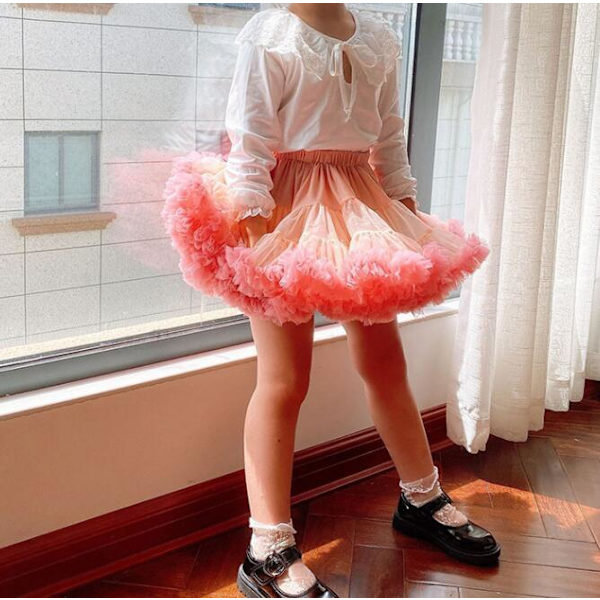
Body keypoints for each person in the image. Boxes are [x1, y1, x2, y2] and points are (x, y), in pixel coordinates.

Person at [162, 3, 499, 598]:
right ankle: (267, 547)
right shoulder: (272, 34)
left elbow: (388, 135)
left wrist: (403, 212)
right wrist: (258, 233)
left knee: (385, 362)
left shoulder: (377, 37)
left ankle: (421, 497)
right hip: (283, 210)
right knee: (285, 379)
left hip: (360, 209)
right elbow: (250, 138)